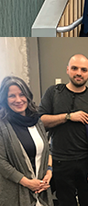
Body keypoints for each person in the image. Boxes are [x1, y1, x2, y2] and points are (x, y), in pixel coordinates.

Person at [39, 55, 88, 206]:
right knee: (65, 202)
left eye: (83, 70)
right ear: (67, 70)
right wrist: (68, 117)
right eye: (75, 68)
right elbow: (40, 122)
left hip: (86, 162)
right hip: (60, 161)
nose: (79, 73)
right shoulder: (53, 93)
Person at [0, 76, 52, 206]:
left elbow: (47, 149)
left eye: (22, 94)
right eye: (12, 96)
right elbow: (1, 162)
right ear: (4, 99)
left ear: (28, 96)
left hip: (42, 190)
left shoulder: (37, 120)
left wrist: (49, 172)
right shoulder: (3, 125)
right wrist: (28, 183)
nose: (18, 100)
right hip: (16, 192)